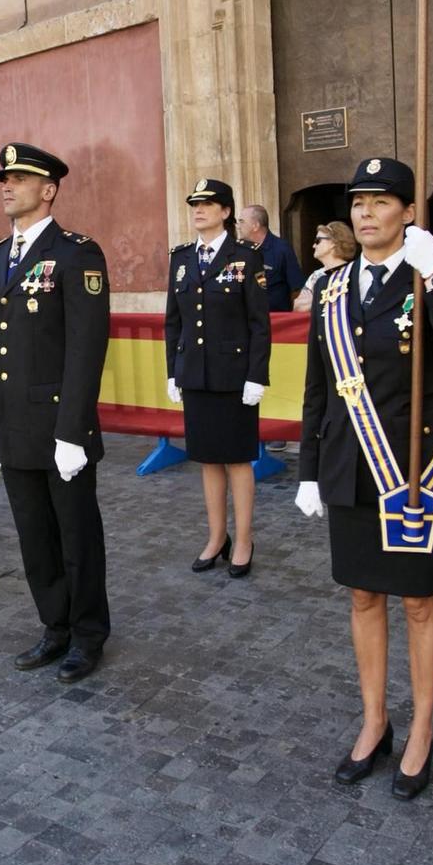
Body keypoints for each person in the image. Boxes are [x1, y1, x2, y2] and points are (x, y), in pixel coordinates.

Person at [296, 156, 433, 800]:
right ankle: (376, 719)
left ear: (408, 212)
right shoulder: (330, 287)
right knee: (362, 597)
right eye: (358, 203)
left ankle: (423, 728)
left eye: (381, 202)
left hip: (411, 471)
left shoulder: (431, 276)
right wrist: (307, 470)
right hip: (350, 467)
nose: (367, 213)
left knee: (420, 601)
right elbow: (318, 386)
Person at [0, 144, 112, 682]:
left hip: (59, 428)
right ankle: (54, 626)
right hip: (10, 425)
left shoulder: (77, 253)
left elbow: (86, 346)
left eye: (20, 178)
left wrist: (74, 430)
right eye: (4, 178)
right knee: (34, 537)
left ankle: (88, 633)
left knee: (77, 536)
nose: (7, 185)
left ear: (48, 188)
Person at [165, 178, 271, 578]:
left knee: (238, 461)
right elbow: (172, 320)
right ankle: (216, 537)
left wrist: (256, 375)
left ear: (226, 212)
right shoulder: (180, 258)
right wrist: (172, 371)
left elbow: (259, 323)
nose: (199, 209)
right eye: (194, 203)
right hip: (195, 373)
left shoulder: (245, 257)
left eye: (208, 204)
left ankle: (243, 539)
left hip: (234, 375)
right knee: (207, 459)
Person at [236, 204, 306, 313]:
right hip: (245, 320)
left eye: (242, 221)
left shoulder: (281, 249)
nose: (238, 226)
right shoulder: (238, 250)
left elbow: (296, 288)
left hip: (274, 320)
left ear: (255, 226)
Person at [294, 221, 358, 311]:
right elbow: (297, 307)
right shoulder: (315, 276)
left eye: (318, 241)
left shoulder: (353, 273)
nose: (313, 245)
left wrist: (314, 300)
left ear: (333, 243)